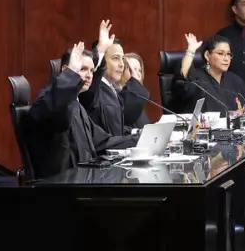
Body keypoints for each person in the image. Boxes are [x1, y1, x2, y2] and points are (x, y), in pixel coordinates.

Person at [23, 41, 138, 179]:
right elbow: (59, 116)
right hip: (61, 187)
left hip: (83, 180)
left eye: (91, 70)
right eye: (83, 69)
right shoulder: (47, 100)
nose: (89, 75)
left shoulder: (76, 104)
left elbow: (103, 141)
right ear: (66, 70)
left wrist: (141, 139)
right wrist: (71, 74)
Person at [172, 33, 245, 115]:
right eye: (221, 53)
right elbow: (183, 80)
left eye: (229, 54)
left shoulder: (234, 79)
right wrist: (190, 51)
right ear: (207, 55)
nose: (226, 59)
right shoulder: (197, 77)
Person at [121, 52, 152, 128]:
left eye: (139, 70)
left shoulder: (138, 98)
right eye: (133, 69)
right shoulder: (121, 101)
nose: (137, 74)